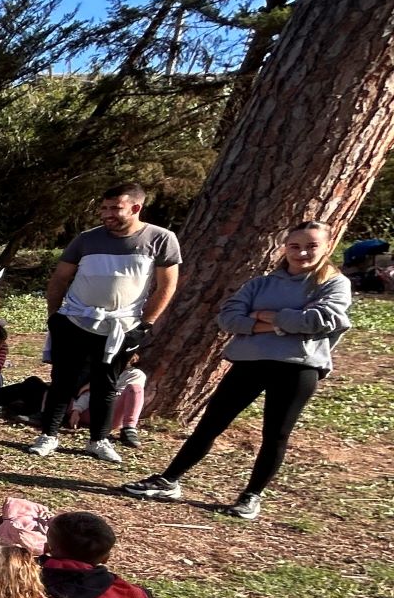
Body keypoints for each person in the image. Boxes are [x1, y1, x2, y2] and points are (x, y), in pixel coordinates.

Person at [122, 220, 352, 520]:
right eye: (295, 246)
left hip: (298, 369)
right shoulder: (260, 284)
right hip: (249, 363)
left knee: (276, 434)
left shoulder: (334, 283)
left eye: (311, 246)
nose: (302, 253)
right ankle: (168, 480)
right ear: (285, 247)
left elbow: (321, 320)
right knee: (210, 424)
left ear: (327, 246)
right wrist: (286, 323)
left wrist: (263, 318)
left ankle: (251, 496)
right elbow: (229, 319)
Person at [28, 181, 182, 465]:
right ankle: (48, 435)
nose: (107, 214)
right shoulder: (86, 239)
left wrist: (145, 325)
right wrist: (54, 316)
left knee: (105, 385)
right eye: (104, 208)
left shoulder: (161, 238)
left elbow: (166, 286)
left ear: (135, 208)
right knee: (62, 382)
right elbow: (60, 278)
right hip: (74, 321)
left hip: (120, 327)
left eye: (115, 208)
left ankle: (98, 440)